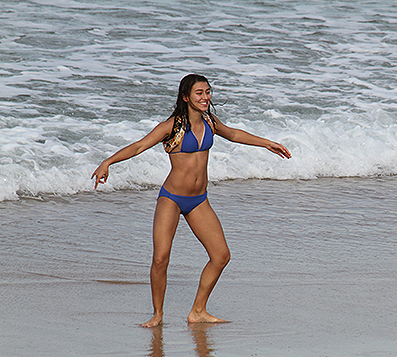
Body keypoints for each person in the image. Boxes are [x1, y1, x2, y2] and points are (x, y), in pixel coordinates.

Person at [92, 74, 291, 327]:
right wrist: (108, 162)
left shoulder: (210, 122)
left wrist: (267, 144)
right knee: (160, 258)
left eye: (207, 92)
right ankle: (158, 314)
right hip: (172, 199)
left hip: (199, 200)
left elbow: (233, 134)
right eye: (199, 93)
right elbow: (139, 147)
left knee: (221, 256)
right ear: (186, 97)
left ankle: (198, 311)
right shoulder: (171, 127)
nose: (205, 97)